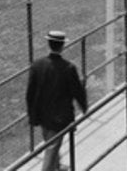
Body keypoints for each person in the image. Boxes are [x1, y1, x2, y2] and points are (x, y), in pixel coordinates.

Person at [26, 30, 88, 171]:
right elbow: (77, 91)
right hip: (60, 117)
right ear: (62, 46)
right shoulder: (68, 68)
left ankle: (57, 167)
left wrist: (32, 115)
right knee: (52, 147)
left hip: (42, 114)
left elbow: (30, 93)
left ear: (49, 44)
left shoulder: (37, 65)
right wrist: (84, 108)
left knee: (51, 143)